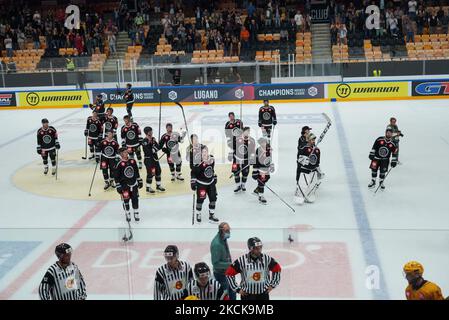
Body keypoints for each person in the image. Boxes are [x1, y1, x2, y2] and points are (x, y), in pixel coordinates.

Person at [191, 146, 219, 223]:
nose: (204, 153)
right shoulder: (198, 163)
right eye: (203, 152)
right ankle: (198, 213)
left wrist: (214, 177)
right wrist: (193, 182)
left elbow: (212, 170)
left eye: (205, 151)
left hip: (211, 183)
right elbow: (193, 173)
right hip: (201, 184)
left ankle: (211, 215)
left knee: (213, 199)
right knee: (200, 199)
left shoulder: (212, 159)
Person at [114, 147, 143, 222]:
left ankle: (136, 212)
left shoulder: (132, 161)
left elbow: (136, 171)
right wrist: (118, 186)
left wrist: (139, 180)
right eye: (124, 152)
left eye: (127, 152)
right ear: (121, 154)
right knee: (126, 200)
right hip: (124, 186)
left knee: (135, 199)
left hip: (133, 184)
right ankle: (128, 213)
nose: (126, 153)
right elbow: (116, 176)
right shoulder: (119, 164)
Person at [295, 133, 324, 205]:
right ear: (308, 140)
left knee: (312, 185)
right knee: (303, 185)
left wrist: (319, 172)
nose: (313, 141)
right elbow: (299, 159)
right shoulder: (304, 149)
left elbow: (317, 163)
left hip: (313, 171)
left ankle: (309, 195)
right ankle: (299, 196)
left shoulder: (317, 150)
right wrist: (305, 160)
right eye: (312, 139)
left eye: (314, 139)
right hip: (305, 171)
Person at [210, 222, 235, 300]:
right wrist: (229, 265)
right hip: (221, 275)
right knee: (226, 296)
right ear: (222, 231)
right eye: (227, 231)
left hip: (227, 273)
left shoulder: (223, 239)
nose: (229, 232)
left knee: (232, 292)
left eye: (229, 230)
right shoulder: (216, 244)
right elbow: (215, 263)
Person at [141, 126, 165, 194]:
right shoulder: (144, 141)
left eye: (151, 131)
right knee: (151, 173)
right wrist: (154, 148)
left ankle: (158, 186)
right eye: (150, 131)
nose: (151, 132)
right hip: (148, 159)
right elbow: (148, 151)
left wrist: (161, 144)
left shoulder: (153, 139)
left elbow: (158, 146)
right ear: (147, 133)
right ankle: (148, 188)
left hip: (155, 159)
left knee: (158, 171)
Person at [231, 127, 255, 193]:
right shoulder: (237, 139)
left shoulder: (252, 140)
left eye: (248, 132)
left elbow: (253, 151)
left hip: (246, 160)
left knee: (245, 173)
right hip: (237, 158)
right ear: (243, 132)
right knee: (236, 173)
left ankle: (243, 185)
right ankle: (238, 186)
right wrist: (234, 137)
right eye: (246, 131)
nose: (247, 133)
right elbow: (232, 147)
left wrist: (252, 160)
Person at [252, 137, 273, 204]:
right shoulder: (258, 150)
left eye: (265, 142)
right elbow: (255, 161)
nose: (264, 144)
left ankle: (257, 190)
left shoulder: (268, 150)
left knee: (267, 178)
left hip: (266, 169)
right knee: (261, 182)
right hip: (261, 169)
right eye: (262, 143)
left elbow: (270, 159)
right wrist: (255, 171)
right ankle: (261, 196)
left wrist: (271, 166)